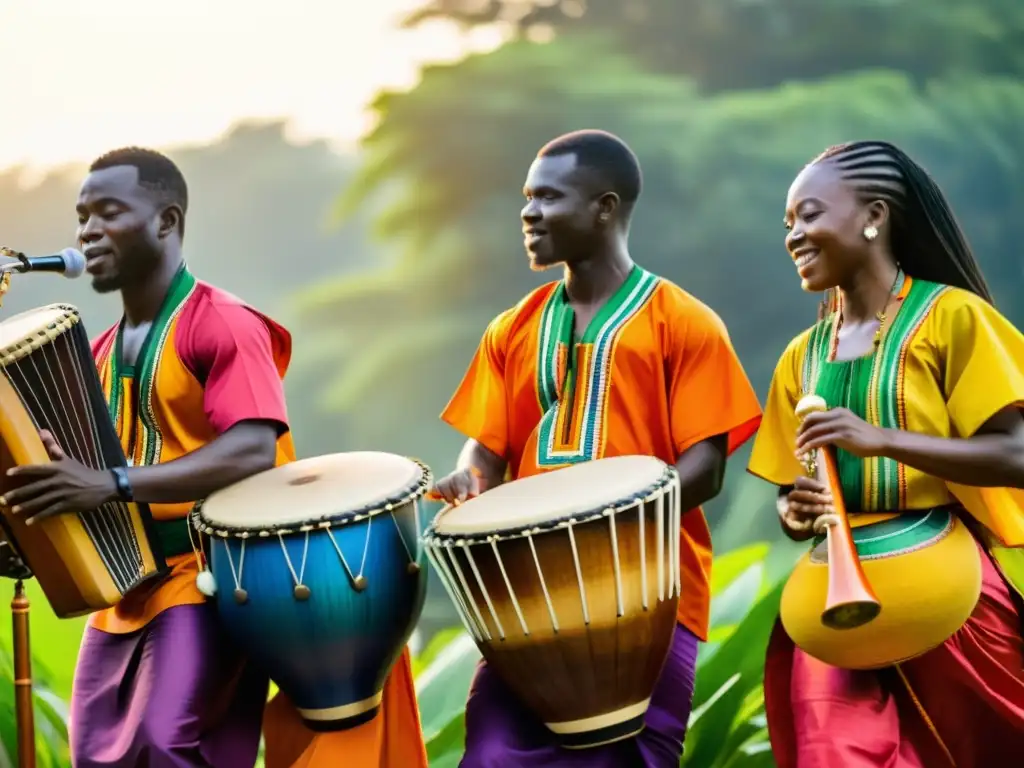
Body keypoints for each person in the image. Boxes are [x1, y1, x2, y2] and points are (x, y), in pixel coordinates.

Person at [0, 148, 427, 768]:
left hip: (213, 579)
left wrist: (110, 482)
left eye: (108, 212)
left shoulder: (222, 323)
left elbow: (253, 449)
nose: (87, 230)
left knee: (167, 743)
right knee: (95, 755)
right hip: (128, 588)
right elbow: (87, 481)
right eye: (81, 215)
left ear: (167, 221)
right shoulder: (97, 351)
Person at [431, 129, 763, 767]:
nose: (528, 213)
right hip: (527, 598)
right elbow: (486, 449)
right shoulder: (512, 328)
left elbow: (707, 466)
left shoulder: (684, 321)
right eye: (527, 198)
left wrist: (605, 517)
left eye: (549, 197)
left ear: (604, 209)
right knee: (492, 755)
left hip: (650, 594)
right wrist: (470, 480)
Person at [747, 140, 1024, 767]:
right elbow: (791, 491)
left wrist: (885, 441)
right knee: (831, 755)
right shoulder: (801, 356)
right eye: (788, 223)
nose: (794, 235)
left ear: (874, 215)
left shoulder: (953, 318)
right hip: (830, 607)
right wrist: (794, 511)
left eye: (810, 215)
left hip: (948, 594)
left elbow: (1017, 455)